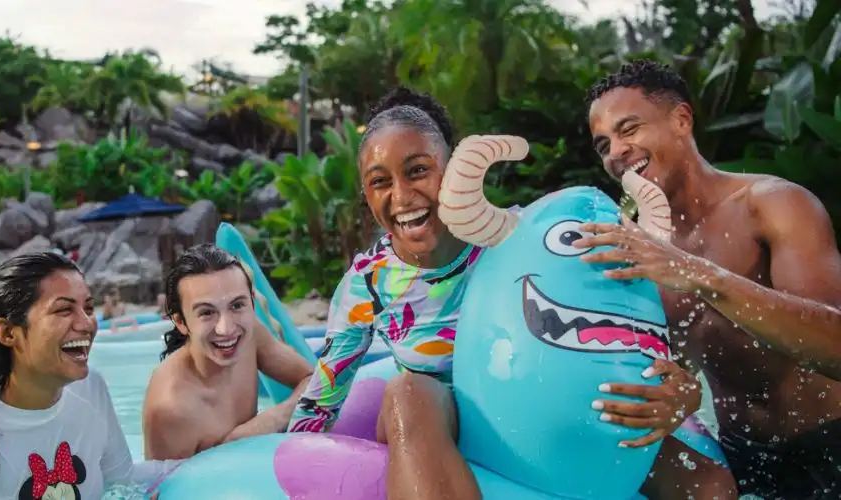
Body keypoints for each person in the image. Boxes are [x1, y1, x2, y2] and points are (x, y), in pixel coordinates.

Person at [287, 86, 736, 499]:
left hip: (550, 411)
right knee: (408, 392)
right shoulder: (368, 282)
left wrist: (685, 392)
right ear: (367, 194)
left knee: (711, 486)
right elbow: (324, 394)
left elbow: (627, 321)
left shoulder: (521, 238)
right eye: (380, 181)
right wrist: (274, 465)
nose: (402, 195)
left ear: (452, 172)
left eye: (419, 171)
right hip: (448, 424)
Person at [580, 59, 841, 498]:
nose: (616, 152)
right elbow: (663, 365)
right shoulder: (634, 246)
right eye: (603, 144)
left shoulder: (771, 205)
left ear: (681, 120)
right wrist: (677, 399)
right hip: (740, 456)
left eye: (630, 130)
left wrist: (696, 274)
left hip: (832, 440)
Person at [0, 252, 181, 499]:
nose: (87, 323)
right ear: (8, 333)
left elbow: (123, 481)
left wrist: (213, 460)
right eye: (64, 310)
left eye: (88, 308)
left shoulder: (90, 389)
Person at [142, 244, 313, 460]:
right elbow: (160, 490)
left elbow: (314, 381)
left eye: (237, 306)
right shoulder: (172, 410)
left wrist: (268, 421)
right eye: (206, 312)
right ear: (180, 322)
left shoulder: (252, 336)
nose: (227, 329)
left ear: (252, 301)